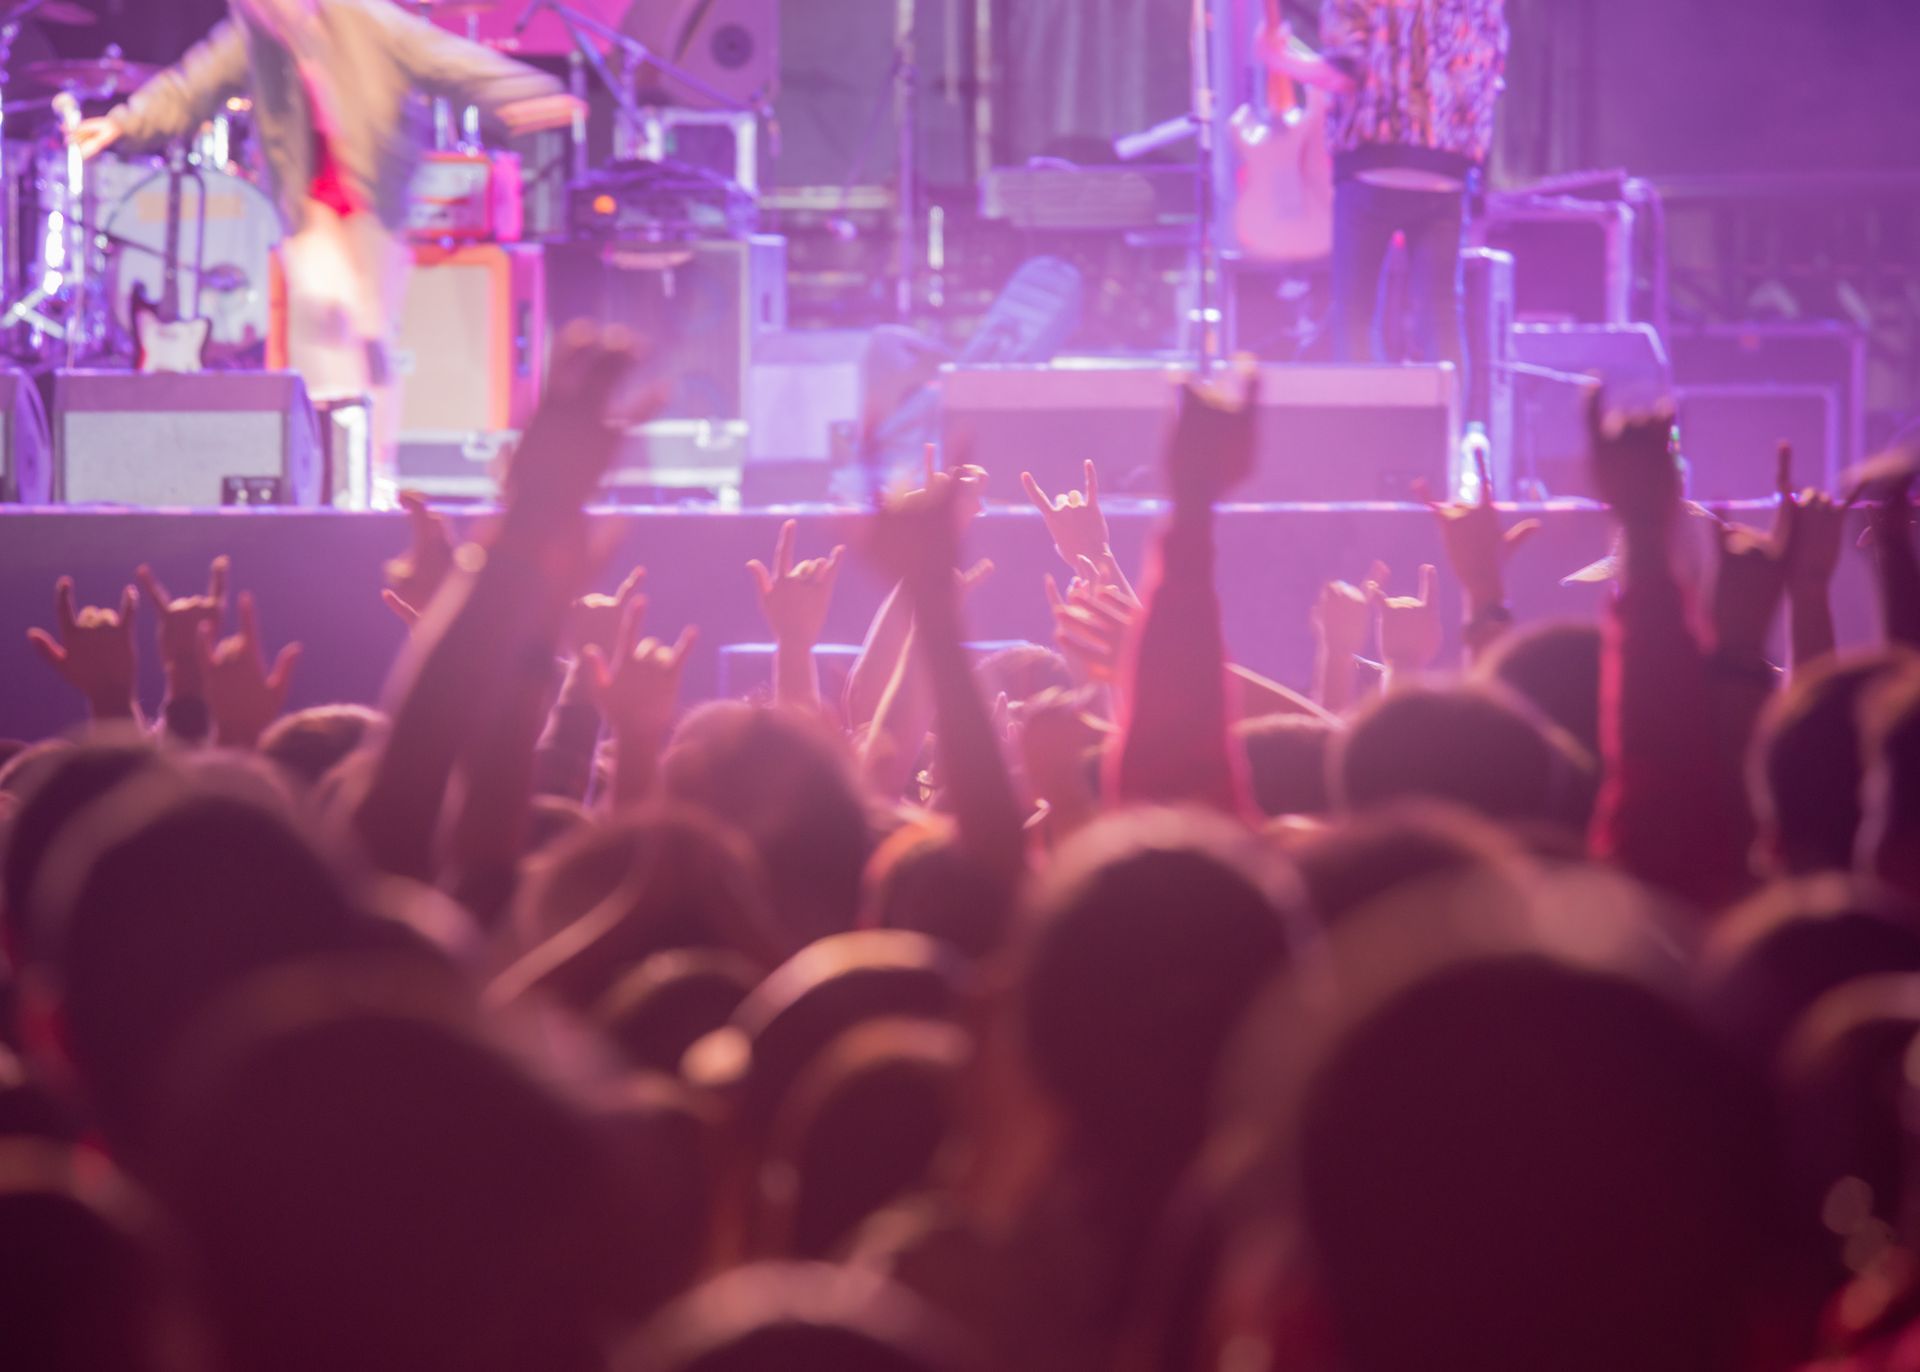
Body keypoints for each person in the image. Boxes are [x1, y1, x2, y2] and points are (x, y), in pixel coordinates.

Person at [67, 0, 579, 503]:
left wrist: (523, 93)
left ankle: (374, 469)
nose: (269, 11)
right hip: (309, 204)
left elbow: (445, 60)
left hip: (374, 200)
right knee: (326, 314)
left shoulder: (366, 19)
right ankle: (330, 469)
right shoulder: (253, 34)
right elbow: (192, 84)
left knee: (373, 335)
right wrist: (122, 122)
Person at [1266, 0, 1508, 375]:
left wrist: (1280, 59)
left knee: (1356, 314)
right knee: (1441, 314)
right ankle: (1448, 430)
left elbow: (1346, 72)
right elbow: (1489, 68)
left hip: (1372, 161)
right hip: (1448, 166)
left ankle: (1368, 430)